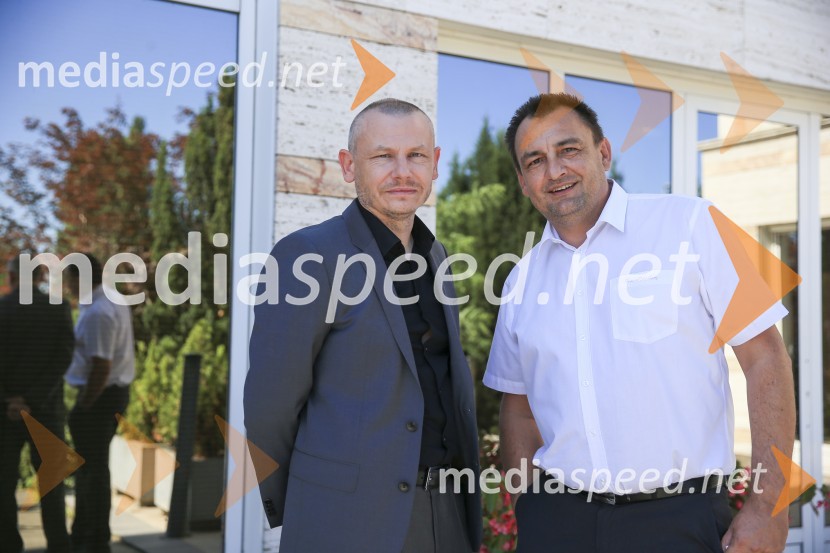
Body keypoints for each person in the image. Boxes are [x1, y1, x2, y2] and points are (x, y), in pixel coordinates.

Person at [483, 93, 795, 553]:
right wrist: (528, 504)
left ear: (603, 153)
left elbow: (764, 358)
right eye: (535, 160)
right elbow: (519, 407)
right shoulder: (520, 282)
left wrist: (770, 505)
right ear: (523, 182)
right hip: (557, 524)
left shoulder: (694, 224)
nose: (555, 170)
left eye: (569, 149)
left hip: (678, 521)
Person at [245, 98, 482, 553]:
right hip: (347, 522)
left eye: (415, 155)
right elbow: (269, 408)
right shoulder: (305, 257)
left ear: (434, 165)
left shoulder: (439, 259)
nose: (402, 171)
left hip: (447, 516)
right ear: (349, 166)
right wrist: (301, 506)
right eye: (382, 156)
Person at [0, 256, 74, 553]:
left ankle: (7, 545)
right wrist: (32, 399)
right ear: (40, 276)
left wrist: (10, 400)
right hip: (46, 410)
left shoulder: (2, 308)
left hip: (4, 414)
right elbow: (63, 358)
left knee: (3, 484)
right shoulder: (58, 308)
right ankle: (58, 545)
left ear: (12, 275)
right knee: (52, 484)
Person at [64, 253, 134, 553]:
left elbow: (101, 366)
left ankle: (90, 538)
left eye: (67, 279)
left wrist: (85, 404)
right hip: (110, 395)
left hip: (100, 397)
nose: (65, 286)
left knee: (90, 470)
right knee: (94, 468)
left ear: (79, 279)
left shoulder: (98, 313)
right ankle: (89, 534)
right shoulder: (110, 301)